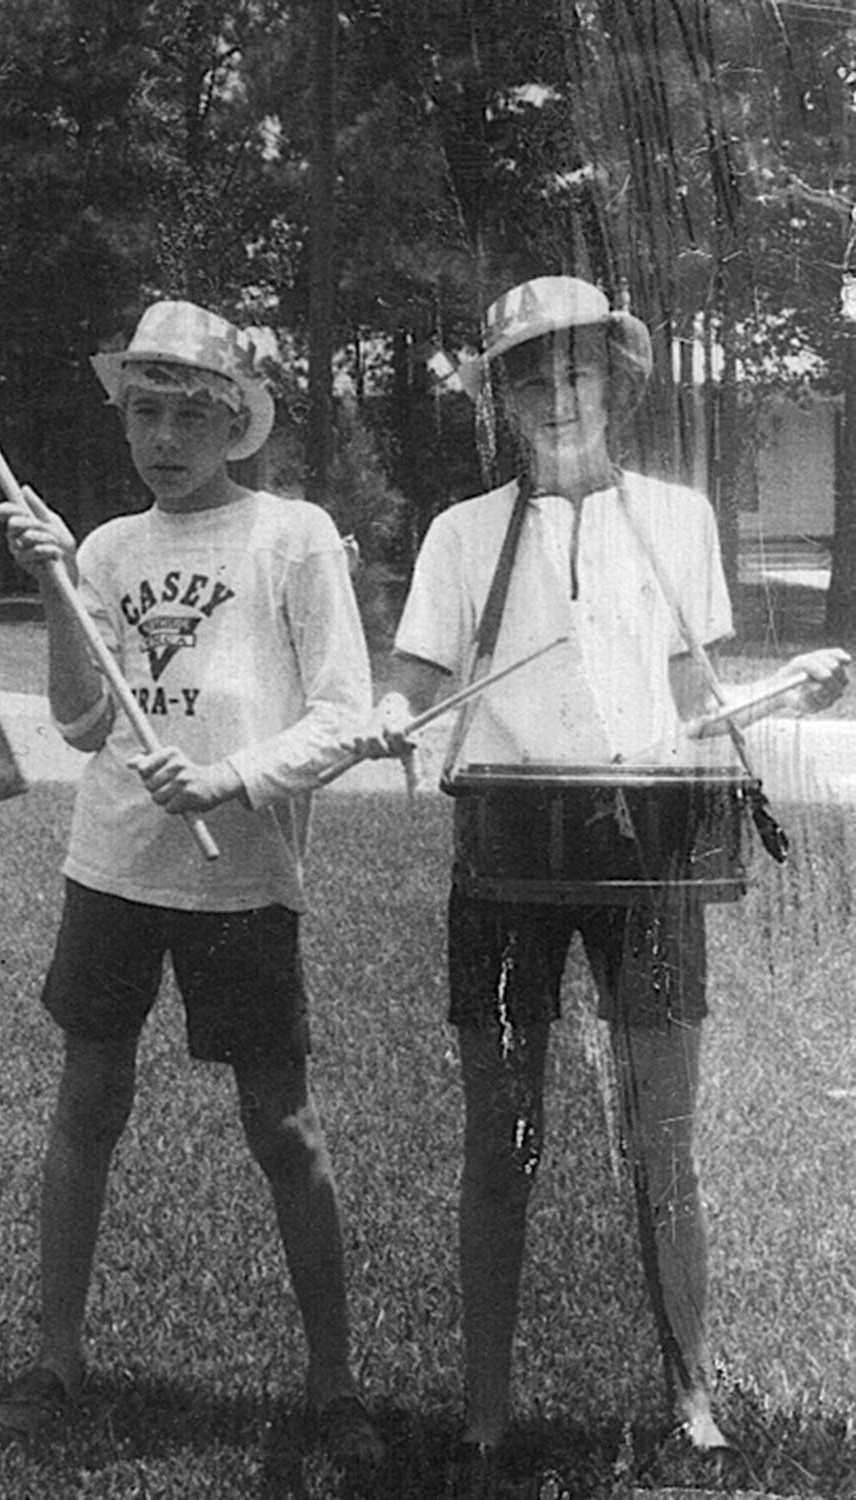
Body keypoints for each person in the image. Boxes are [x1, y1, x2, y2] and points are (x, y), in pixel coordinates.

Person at [383, 275, 849, 1479]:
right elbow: (418, 692)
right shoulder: (458, 535)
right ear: (500, 399)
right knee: (504, 1139)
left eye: (576, 370)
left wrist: (780, 693)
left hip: (649, 863)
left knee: (665, 1136)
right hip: (505, 860)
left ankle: (691, 1393)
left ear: (620, 384)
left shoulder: (681, 520)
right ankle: (485, 1406)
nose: (554, 395)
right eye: (527, 377)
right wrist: (388, 721)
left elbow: (699, 713)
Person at [0, 299, 392, 1463]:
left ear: (238, 422)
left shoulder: (293, 535)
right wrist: (57, 588)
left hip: (244, 876)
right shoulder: (111, 550)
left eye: (189, 415)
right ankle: (58, 1357)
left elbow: (344, 717)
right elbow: (78, 720)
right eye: (144, 412)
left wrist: (230, 781)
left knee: (282, 1123)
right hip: (114, 863)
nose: (164, 438)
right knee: (88, 1106)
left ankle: (334, 1382)